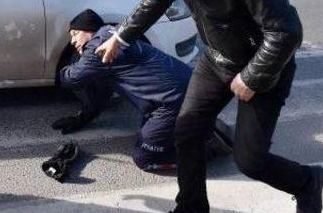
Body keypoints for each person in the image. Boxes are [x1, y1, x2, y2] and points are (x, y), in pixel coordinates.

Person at [95, 0, 323, 213]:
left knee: (250, 161)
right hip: (217, 59)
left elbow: (286, 31)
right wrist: (120, 37)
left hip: (264, 66)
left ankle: (307, 181)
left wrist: (253, 76)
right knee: (186, 130)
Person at [55, 9, 232, 171]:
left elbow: (71, 78)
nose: (72, 41)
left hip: (172, 102)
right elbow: (102, 92)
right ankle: (198, 126)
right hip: (186, 90)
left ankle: (206, 148)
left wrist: (60, 70)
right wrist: (81, 119)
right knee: (151, 131)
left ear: (89, 30)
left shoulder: (99, 47)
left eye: (75, 34)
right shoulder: (116, 37)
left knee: (145, 158)